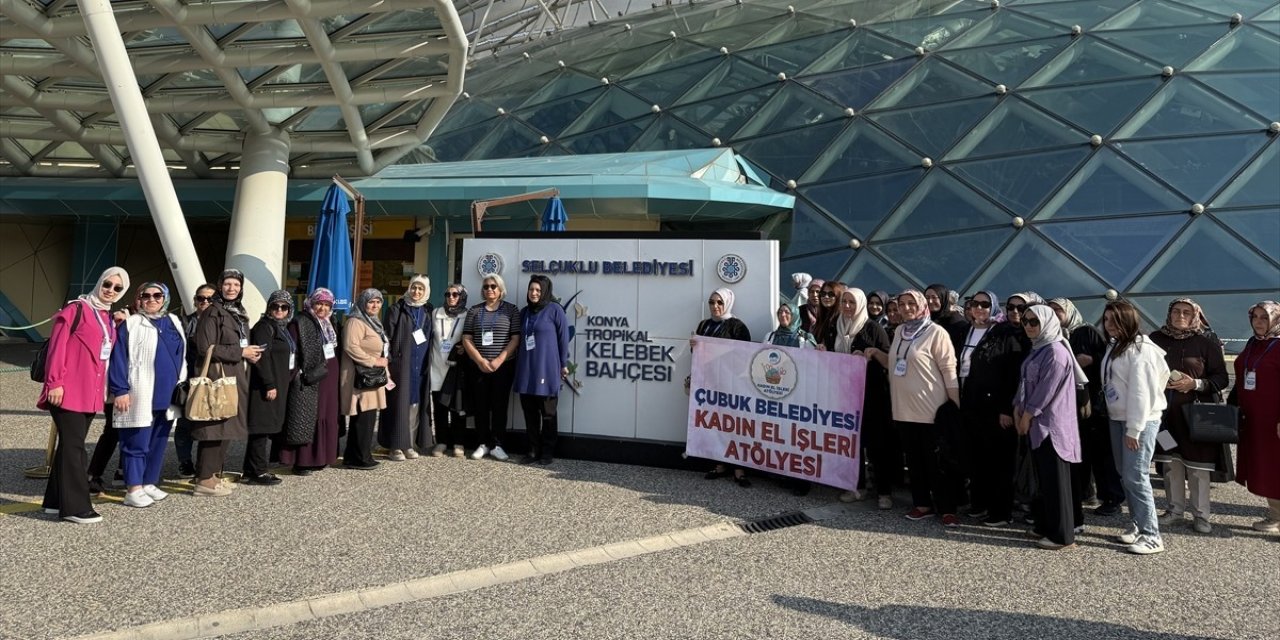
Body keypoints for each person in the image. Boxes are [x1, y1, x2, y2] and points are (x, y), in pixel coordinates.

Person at [38, 267, 128, 523]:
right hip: (67, 391)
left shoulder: (106, 317)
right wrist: (55, 382)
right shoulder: (76, 309)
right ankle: (76, 507)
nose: (110, 290)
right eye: (107, 284)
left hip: (90, 393)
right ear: (99, 282)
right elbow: (56, 348)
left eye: (118, 288)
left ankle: (55, 502)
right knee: (75, 449)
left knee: (69, 446)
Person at [863, 290, 961, 525]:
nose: (906, 308)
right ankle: (922, 504)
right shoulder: (900, 331)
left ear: (922, 306)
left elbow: (949, 369)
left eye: (911, 304)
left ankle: (947, 508)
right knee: (915, 461)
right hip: (903, 410)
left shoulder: (936, 332)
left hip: (931, 409)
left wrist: (955, 405)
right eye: (902, 304)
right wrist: (876, 353)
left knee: (936, 463)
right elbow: (894, 363)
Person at [1149, 298, 1229, 534]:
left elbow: (1221, 378)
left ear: (1196, 316)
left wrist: (1194, 383)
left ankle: (1201, 515)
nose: (1180, 316)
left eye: (1186, 312)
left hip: (1195, 417)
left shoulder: (1205, 343)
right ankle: (1174, 510)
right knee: (1170, 462)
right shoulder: (1156, 339)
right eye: (1176, 311)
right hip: (1164, 416)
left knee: (1198, 466)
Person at [107, 283, 185, 508]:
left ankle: (149, 481)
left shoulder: (174, 321)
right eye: (146, 295)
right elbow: (119, 358)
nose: (152, 299)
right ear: (139, 299)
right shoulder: (131, 323)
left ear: (165, 298)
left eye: (157, 295)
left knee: (158, 442)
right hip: (140, 393)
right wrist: (120, 390)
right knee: (136, 442)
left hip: (168, 394)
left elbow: (182, 355)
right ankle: (133, 488)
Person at [1102, 299, 1169, 555]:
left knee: (1136, 476)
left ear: (1128, 321)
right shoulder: (1118, 345)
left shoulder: (1142, 350)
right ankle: (1138, 525)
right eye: (1106, 319)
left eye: (1115, 320)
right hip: (1118, 417)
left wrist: (1134, 429)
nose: (1108, 325)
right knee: (1126, 475)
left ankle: (1152, 535)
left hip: (1139, 421)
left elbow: (1142, 392)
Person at [1015, 305, 1084, 550]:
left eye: (1034, 321)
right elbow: (1025, 383)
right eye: (1025, 321)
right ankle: (1045, 525)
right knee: (1044, 479)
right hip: (1037, 424)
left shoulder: (1055, 352)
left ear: (1047, 323)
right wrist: (1017, 408)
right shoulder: (1038, 349)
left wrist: (1027, 414)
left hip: (1051, 426)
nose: (1029, 326)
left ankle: (1062, 536)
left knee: (1056, 481)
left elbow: (1047, 389)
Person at [957, 291, 1027, 527]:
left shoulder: (1004, 333)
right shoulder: (966, 331)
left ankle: (1001, 511)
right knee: (979, 457)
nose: (979, 308)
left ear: (994, 307)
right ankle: (980, 503)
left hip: (996, 408)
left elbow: (1011, 374)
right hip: (972, 404)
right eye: (974, 304)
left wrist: (1006, 408)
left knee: (1000, 460)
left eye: (985, 304)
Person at [1049, 297, 1123, 517]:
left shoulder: (1086, 332)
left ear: (1069, 311)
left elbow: (1109, 359)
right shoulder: (1051, 335)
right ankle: (1084, 492)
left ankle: (1111, 497)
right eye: (1050, 310)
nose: (1054, 313)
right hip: (1067, 403)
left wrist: (1091, 360)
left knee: (1101, 452)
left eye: (1058, 309)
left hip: (1091, 402)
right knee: (1079, 449)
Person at [191, 269, 262, 497]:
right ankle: (203, 480)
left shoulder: (237, 313)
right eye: (228, 284)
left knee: (226, 428)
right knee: (214, 428)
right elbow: (205, 348)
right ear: (220, 286)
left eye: (236, 285)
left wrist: (249, 354)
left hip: (234, 377)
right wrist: (241, 352)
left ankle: (213, 476)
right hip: (217, 378)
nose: (232, 288)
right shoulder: (213, 312)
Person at [834, 288, 891, 505]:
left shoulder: (873, 328)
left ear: (860, 304)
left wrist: (873, 354)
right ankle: (856, 487)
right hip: (844, 395)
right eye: (844, 302)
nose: (847, 306)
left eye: (852, 302)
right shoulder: (836, 327)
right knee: (851, 444)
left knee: (877, 444)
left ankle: (884, 492)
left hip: (872, 396)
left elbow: (888, 361)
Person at [1231, 301, 1280, 533]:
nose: (1259, 322)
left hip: (1274, 419)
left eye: (1265, 317)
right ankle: (1275, 515)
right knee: (1266, 465)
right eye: (1255, 317)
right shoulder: (1254, 343)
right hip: (1254, 418)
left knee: (1276, 465)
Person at [280, 288, 341, 475]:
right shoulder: (299, 322)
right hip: (309, 377)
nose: (322, 308)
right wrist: (296, 374)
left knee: (326, 414)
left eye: (327, 305)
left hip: (329, 376)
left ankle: (321, 457)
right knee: (307, 416)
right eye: (319, 303)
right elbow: (292, 350)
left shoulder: (330, 322)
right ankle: (303, 461)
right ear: (311, 303)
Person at [695, 288, 752, 486]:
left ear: (727, 302)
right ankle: (719, 464)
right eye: (712, 302)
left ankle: (739, 469)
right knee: (714, 423)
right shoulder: (704, 325)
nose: (715, 306)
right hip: (709, 383)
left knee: (734, 425)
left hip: (731, 384)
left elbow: (745, 355)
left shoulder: (737, 326)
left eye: (719, 302)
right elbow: (698, 356)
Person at [463, 273, 521, 461]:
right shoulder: (474, 310)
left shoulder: (511, 310)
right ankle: (482, 443)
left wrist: (499, 360)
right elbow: (466, 338)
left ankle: (497, 444)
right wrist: (480, 361)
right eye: (486, 286)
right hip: (478, 367)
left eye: (493, 286)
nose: (489, 289)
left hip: (503, 367)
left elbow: (515, 338)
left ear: (500, 289)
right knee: (480, 406)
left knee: (499, 406)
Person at [514, 275, 571, 465]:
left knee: (548, 414)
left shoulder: (555, 310)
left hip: (547, 370)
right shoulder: (524, 313)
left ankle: (547, 451)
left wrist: (563, 363)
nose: (534, 293)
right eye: (531, 289)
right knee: (529, 413)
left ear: (545, 291)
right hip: (526, 370)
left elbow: (563, 339)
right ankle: (533, 450)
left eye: (538, 290)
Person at [243, 290, 296, 486]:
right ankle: (258, 471)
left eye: (284, 307)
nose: (279, 310)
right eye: (275, 306)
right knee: (261, 428)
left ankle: (251, 469)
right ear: (269, 307)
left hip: (278, 383)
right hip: (264, 385)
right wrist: (269, 384)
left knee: (264, 428)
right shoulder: (264, 327)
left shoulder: (281, 328)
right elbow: (261, 358)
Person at [381, 276, 434, 461]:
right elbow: (386, 337)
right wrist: (388, 361)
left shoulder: (428, 310)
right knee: (398, 405)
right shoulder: (397, 309)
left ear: (426, 290)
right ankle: (395, 446)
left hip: (420, 365)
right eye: (414, 287)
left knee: (414, 405)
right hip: (401, 365)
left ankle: (409, 444)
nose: (416, 292)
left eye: (420, 289)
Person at [340, 288, 391, 470]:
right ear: (363, 303)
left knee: (367, 416)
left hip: (371, 375)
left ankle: (354, 455)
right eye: (371, 302)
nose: (375, 305)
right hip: (360, 376)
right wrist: (374, 361)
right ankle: (360, 457)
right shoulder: (355, 321)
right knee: (363, 418)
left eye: (378, 302)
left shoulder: (373, 321)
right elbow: (350, 346)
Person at [173, 284, 215, 478]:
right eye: (201, 298)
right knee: (185, 423)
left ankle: (206, 463)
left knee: (211, 422)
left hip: (213, 379)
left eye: (209, 298)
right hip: (189, 378)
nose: (205, 302)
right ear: (195, 301)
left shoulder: (220, 322)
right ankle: (184, 461)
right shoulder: (184, 323)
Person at [430, 283, 469, 457]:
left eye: (455, 294)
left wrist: (464, 348)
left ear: (462, 297)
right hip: (437, 366)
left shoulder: (467, 315)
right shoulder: (435, 313)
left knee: (458, 408)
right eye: (448, 294)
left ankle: (458, 442)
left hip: (456, 368)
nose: (451, 297)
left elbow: (471, 337)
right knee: (439, 407)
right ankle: (441, 441)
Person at [813, 281, 845, 351]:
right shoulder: (822, 316)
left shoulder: (841, 318)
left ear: (838, 296)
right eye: (823, 294)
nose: (826, 297)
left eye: (831, 294)